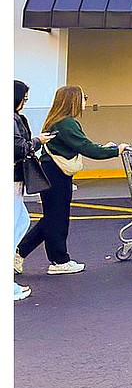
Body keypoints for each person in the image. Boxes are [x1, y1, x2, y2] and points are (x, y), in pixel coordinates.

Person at [16, 86, 125, 275]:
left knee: (51, 218)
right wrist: (116, 151)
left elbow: (82, 144)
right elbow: (86, 148)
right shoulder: (67, 123)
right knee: (58, 219)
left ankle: (19, 254)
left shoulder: (57, 121)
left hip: (51, 171)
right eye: (84, 98)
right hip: (56, 175)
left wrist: (102, 148)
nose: (85, 102)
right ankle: (59, 261)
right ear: (73, 100)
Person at [14, 81, 56, 299]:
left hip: (15, 178)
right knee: (15, 225)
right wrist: (37, 141)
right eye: (25, 98)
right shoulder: (11, 118)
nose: (25, 102)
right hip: (13, 177)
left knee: (20, 222)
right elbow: (17, 146)